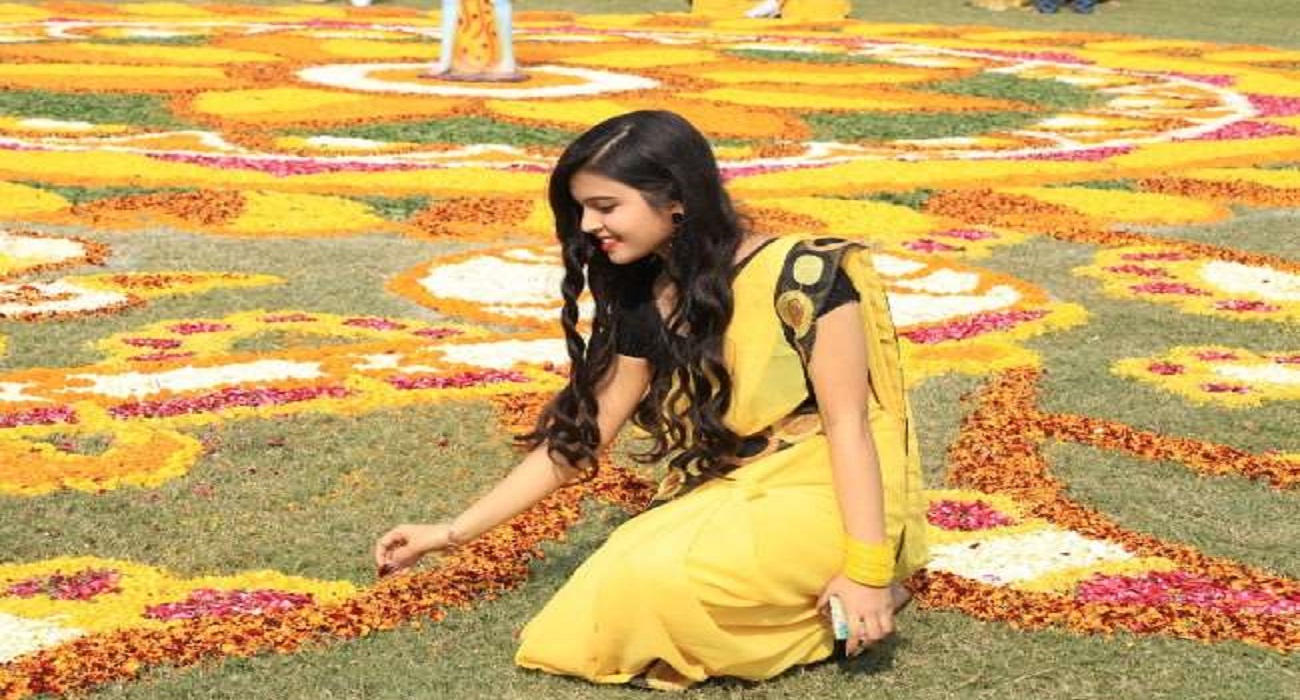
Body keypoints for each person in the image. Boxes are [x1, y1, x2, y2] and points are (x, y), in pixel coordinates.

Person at [373, 110, 928, 691]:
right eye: (581, 208)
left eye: (606, 207)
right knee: (610, 588)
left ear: (677, 199)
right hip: (736, 484)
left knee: (670, 582)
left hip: (830, 486)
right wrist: (450, 532)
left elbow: (850, 429)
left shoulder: (806, 274)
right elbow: (581, 442)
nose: (589, 225)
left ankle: (878, 589)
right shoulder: (642, 290)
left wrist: (865, 569)